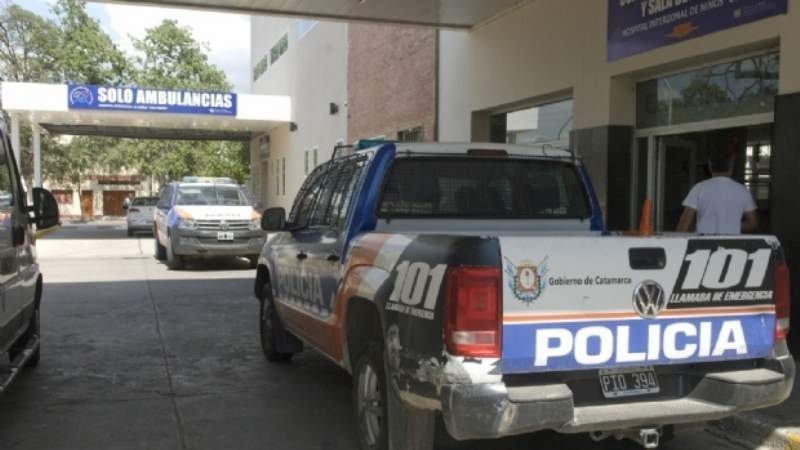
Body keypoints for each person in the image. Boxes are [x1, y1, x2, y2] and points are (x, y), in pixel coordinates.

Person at [676, 149, 758, 235]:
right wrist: (732, 226)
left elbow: (684, 224)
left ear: (710, 167)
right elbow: (753, 223)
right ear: (731, 167)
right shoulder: (743, 191)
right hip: (731, 241)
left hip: (702, 242)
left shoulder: (699, 188)